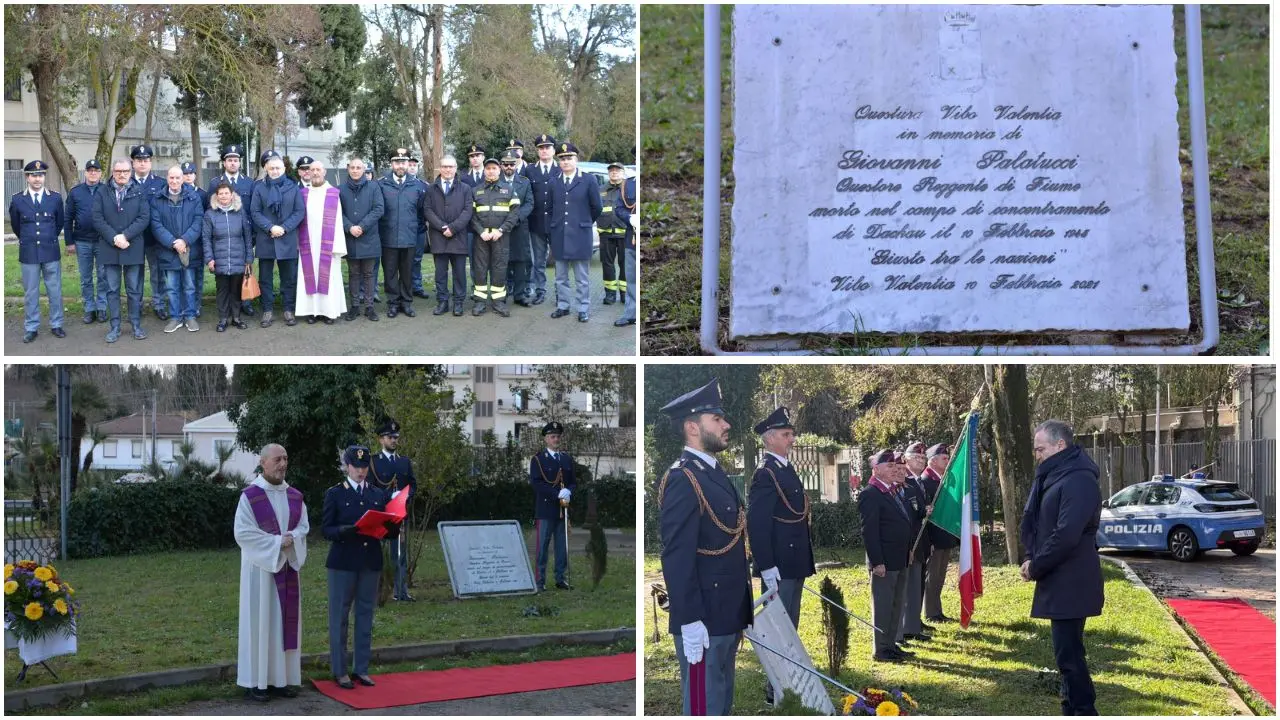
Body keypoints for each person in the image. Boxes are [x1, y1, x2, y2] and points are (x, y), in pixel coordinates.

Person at [658, 377, 751, 716]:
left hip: (725, 611)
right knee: (703, 704)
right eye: (717, 419)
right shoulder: (684, 478)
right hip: (703, 616)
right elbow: (676, 556)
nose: (726, 425)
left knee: (721, 698)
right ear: (692, 427)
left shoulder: (714, 473)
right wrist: (689, 618)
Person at [1021, 420, 1103, 716]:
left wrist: (1036, 566)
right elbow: (1042, 524)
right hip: (1061, 577)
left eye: (1041, 449)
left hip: (1072, 578)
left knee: (1069, 655)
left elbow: (1066, 534)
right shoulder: (1057, 475)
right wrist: (1032, 556)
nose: (1038, 455)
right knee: (1066, 653)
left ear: (1060, 446)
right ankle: (1073, 706)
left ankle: (1082, 710)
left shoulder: (1078, 479)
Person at [746, 406, 815, 708]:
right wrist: (767, 565)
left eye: (791, 434)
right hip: (779, 563)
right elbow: (757, 524)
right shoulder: (766, 474)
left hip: (793, 560)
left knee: (791, 624)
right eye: (786, 435)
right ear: (769, 438)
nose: (792, 439)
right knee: (778, 627)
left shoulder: (785, 468)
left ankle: (787, 680)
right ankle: (776, 686)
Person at [234, 443, 308, 702]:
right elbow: (243, 533)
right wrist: (278, 543)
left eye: (286, 459)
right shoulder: (250, 496)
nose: (283, 464)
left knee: (283, 623)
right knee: (261, 623)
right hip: (261, 574)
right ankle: (258, 681)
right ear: (263, 462)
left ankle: (283, 680)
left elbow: (303, 527)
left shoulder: (295, 496)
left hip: (287, 568)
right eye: (277, 459)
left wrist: (292, 538)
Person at [323, 445, 397, 690]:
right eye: (356, 466)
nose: (361, 471)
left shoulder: (377, 494)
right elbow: (326, 529)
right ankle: (340, 670)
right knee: (340, 617)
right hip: (343, 563)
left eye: (365, 467)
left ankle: (361, 669)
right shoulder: (335, 493)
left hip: (370, 562)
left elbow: (385, 527)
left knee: (365, 616)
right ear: (347, 466)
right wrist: (343, 531)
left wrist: (393, 525)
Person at [858, 449, 913, 663]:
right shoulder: (871, 494)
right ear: (876, 469)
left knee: (896, 603)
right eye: (889, 466)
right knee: (883, 605)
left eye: (894, 466)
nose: (893, 470)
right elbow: (869, 532)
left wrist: (908, 550)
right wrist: (877, 561)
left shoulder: (891, 491)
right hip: (885, 561)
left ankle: (891, 644)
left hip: (899, 557)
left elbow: (904, 523)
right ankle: (881, 649)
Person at [92, 159, 151, 342]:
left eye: (125, 171)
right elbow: (97, 218)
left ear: (130, 171)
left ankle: (135, 325)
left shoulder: (139, 191)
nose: (122, 174)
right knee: (112, 289)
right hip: (109, 248)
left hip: (132, 247)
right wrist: (114, 237)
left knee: (134, 289)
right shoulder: (102, 191)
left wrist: (125, 236)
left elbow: (144, 218)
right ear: (113, 171)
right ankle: (115, 326)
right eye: (118, 171)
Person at [10, 160, 67, 344]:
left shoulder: (55, 198)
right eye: (33, 175)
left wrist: (48, 238)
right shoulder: (18, 199)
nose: (37, 178)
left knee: (55, 290)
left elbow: (59, 223)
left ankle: (56, 323)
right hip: (29, 253)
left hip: (50, 250)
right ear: (27, 177)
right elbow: (17, 225)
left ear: (44, 177)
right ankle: (31, 327)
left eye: (40, 175)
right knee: (31, 292)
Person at [548, 142, 603, 323]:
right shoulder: (554, 181)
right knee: (560, 276)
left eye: (569, 158)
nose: (565, 161)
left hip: (580, 235)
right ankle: (563, 306)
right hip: (559, 235)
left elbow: (597, 207)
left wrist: (584, 223)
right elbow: (550, 207)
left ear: (576, 159)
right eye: (562, 159)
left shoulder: (588, 180)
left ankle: (583, 308)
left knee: (582, 278)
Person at [250, 151, 305, 328]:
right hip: (266, 238)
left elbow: (299, 212)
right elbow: (255, 212)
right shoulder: (259, 188)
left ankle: (288, 309)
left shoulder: (293, 187)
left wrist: (284, 228)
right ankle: (267, 310)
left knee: (287, 277)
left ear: (284, 169)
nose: (274, 171)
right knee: (265, 278)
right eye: (271, 168)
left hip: (287, 238)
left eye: (278, 168)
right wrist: (270, 227)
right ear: (265, 168)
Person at [150, 165, 205, 333]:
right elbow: (156, 225)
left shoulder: (193, 197)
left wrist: (185, 240)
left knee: (189, 285)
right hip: (168, 250)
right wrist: (173, 242)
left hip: (189, 249)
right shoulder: (157, 199)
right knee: (172, 287)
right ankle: (175, 317)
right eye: (171, 178)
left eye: (177, 178)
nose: (174, 181)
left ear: (183, 179)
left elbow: (198, 220)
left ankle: (189, 316)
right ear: (167, 178)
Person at [295, 159, 347, 324]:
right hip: (308, 244)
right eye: (312, 170)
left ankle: (328, 312)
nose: (315, 173)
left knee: (328, 277)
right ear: (308, 173)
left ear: (324, 172)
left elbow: (338, 220)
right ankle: (312, 311)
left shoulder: (333, 193)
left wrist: (337, 246)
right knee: (308, 276)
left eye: (318, 170)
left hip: (328, 244)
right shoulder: (303, 193)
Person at [369, 420, 417, 602]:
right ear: (381, 440)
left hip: (399, 515)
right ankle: (379, 592)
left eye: (396, 437)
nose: (394, 440)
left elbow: (413, 484)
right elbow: (370, 487)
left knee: (399, 555)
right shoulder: (374, 462)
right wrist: (389, 496)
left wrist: (405, 495)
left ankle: (401, 591)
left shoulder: (404, 462)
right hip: (381, 514)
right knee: (378, 554)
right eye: (390, 437)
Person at [208, 144, 257, 319]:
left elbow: (252, 209)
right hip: (222, 237)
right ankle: (227, 309)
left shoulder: (249, 182)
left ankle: (246, 303)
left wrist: (252, 236)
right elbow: (211, 210)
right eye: (229, 160)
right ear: (224, 163)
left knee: (244, 272)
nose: (233, 163)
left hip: (244, 234)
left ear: (240, 162)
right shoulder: (215, 183)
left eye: (236, 160)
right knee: (226, 278)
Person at [377, 147, 426, 319]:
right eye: (397, 162)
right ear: (391, 164)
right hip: (388, 236)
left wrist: (414, 228)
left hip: (409, 236)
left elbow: (422, 211)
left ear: (408, 164)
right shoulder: (381, 184)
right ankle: (393, 303)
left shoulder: (417, 185)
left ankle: (406, 303)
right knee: (390, 272)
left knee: (407, 272)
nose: (400, 165)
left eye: (403, 162)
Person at [423, 155, 473, 317]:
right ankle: (442, 302)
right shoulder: (431, 189)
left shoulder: (465, 188)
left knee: (459, 273)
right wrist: (442, 227)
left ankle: (458, 303)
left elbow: (467, 211)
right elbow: (427, 210)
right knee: (440, 273)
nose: (447, 170)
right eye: (444, 166)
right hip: (439, 237)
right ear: (440, 168)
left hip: (458, 237)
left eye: (451, 167)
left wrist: (453, 228)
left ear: (456, 168)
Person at [469, 157, 519, 317]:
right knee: (480, 269)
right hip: (481, 237)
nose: (491, 171)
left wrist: (501, 230)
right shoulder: (475, 191)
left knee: (500, 268)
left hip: (501, 237)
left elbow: (514, 213)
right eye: (488, 168)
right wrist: (480, 231)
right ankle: (480, 302)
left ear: (500, 170)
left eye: (494, 168)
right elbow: (471, 215)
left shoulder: (509, 190)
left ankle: (498, 302)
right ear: (484, 171)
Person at [529, 421, 576, 590]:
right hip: (546, 510)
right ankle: (539, 581)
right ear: (546, 439)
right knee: (542, 548)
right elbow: (536, 483)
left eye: (558, 436)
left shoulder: (566, 459)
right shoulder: (538, 459)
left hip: (562, 511)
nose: (556, 439)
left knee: (561, 548)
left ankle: (560, 579)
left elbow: (572, 482)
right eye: (552, 437)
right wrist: (556, 494)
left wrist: (569, 491)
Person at [201, 180, 253, 332]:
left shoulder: (241, 212)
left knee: (236, 289)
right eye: (220, 193)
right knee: (222, 290)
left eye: (226, 193)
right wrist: (209, 259)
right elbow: (206, 238)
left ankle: (236, 318)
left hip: (238, 258)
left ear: (232, 195)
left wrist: (249, 259)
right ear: (216, 197)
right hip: (220, 259)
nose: (224, 196)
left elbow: (247, 237)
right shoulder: (210, 214)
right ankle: (223, 319)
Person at [339, 156, 385, 322]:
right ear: (348, 169)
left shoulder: (374, 187)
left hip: (369, 237)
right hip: (350, 237)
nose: (356, 170)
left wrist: (362, 226)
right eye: (353, 167)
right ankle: (354, 307)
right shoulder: (341, 189)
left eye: (359, 168)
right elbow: (338, 212)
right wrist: (350, 227)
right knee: (353, 273)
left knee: (369, 273)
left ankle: (369, 307)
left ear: (364, 170)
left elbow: (379, 209)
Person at [897, 442, 934, 645]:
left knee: (916, 585)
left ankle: (913, 622)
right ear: (906, 459)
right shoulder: (905, 483)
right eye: (916, 458)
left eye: (923, 458)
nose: (920, 461)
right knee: (909, 587)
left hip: (920, 542)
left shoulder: (918, 482)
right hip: (909, 542)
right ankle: (908, 625)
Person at [64, 159, 108, 325]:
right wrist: (69, 242)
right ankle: (90, 308)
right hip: (82, 241)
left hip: (103, 241)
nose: (93, 173)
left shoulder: (106, 190)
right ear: (85, 172)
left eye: (96, 170)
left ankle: (102, 307)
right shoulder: (75, 192)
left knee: (103, 276)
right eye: (90, 170)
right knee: (86, 278)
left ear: (100, 173)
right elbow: (68, 218)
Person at [920, 443, 960, 623]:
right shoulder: (926, 481)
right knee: (933, 575)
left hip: (945, 536)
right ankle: (931, 612)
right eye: (944, 458)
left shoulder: (942, 479)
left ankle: (937, 610)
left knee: (940, 575)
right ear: (933, 461)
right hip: (934, 537)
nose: (948, 460)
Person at [129, 144, 168, 321]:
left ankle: (158, 303)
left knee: (157, 273)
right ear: (133, 163)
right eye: (139, 160)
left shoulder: (160, 184)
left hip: (154, 237)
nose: (142, 163)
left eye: (145, 160)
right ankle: (136, 306)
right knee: (135, 274)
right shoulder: (126, 183)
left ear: (150, 162)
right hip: (133, 238)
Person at [523, 134, 560, 306]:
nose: (544, 150)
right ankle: (540, 291)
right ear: (537, 151)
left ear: (553, 150)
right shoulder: (529, 171)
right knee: (538, 261)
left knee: (560, 260)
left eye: (547, 147)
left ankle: (561, 292)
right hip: (536, 223)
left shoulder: (561, 169)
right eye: (541, 148)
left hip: (557, 223)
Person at [499, 150, 535, 306]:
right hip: (500, 228)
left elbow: (529, 203)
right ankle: (502, 294)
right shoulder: (495, 181)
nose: (508, 167)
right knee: (502, 261)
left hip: (519, 227)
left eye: (511, 164)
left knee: (520, 262)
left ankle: (519, 295)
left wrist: (516, 218)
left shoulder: (524, 181)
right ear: (501, 165)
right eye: (505, 164)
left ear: (516, 165)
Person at [596, 162, 629, 306]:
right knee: (607, 264)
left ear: (623, 173)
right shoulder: (600, 190)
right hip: (606, 233)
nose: (614, 173)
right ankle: (610, 294)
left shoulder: (628, 190)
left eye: (617, 171)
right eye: (612, 171)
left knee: (625, 264)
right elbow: (595, 208)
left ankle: (624, 294)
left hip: (624, 233)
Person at [181, 161, 209, 319]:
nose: (188, 176)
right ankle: (185, 305)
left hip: (198, 241)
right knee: (184, 276)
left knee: (198, 275)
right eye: (185, 174)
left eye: (190, 173)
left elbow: (204, 218)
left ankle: (196, 304)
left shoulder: (203, 194)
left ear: (195, 175)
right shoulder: (177, 192)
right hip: (182, 241)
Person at [614, 172, 638, 327]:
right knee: (631, 279)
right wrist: (630, 218)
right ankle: (630, 313)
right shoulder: (627, 184)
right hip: (632, 238)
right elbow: (619, 208)